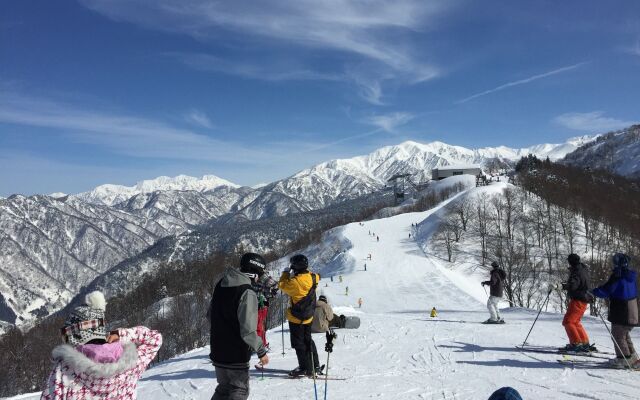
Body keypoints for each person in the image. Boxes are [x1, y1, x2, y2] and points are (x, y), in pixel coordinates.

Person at [40, 291, 162, 399]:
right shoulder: (131, 362)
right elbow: (154, 338)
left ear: (76, 336)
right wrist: (120, 334)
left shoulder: (64, 370)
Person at [209, 253, 269, 399]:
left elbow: (210, 315)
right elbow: (248, 330)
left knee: (223, 389)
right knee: (239, 390)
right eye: (259, 275)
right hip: (236, 353)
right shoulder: (247, 291)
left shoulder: (221, 283)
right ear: (255, 272)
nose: (259, 279)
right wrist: (261, 351)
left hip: (218, 348)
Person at [592, 253, 639, 368]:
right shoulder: (630, 276)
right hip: (632, 307)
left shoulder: (618, 276)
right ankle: (632, 356)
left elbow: (607, 290)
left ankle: (623, 359)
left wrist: (593, 291)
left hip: (622, 309)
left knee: (618, 334)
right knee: (624, 333)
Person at [279, 254, 322, 377]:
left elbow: (282, 285)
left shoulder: (295, 282)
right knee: (308, 340)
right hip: (309, 316)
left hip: (296, 318)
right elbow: (318, 276)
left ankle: (304, 367)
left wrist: (286, 272)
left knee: (299, 343)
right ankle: (315, 365)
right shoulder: (313, 278)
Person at [560, 253, 594, 352]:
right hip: (583, 299)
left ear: (571, 262)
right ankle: (583, 342)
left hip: (578, 299)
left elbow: (573, 285)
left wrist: (561, 286)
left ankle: (576, 343)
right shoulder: (583, 269)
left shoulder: (577, 271)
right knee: (575, 322)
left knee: (568, 321)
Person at [253, 272, 279, 350]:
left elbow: (275, 285)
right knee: (258, 325)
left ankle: (259, 346)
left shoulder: (262, 274)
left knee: (258, 325)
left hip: (260, 303)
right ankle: (259, 345)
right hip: (254, 303)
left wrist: (268, 293)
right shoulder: (253, 273)